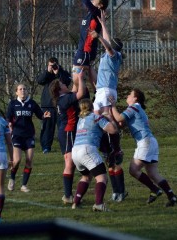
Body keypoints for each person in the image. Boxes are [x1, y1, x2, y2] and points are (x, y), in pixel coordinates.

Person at [110, 88, 177, 207]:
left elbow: (119, 118)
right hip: (151, 141)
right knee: (153, 174)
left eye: (130, 94)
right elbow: (121, 124)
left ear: (135, 98)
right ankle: (171, 196)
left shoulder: (133, 107)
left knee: (133, 170)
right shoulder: (137, 109)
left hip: (145, 142)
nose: (127, 96)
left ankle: (155, 190)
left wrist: (112, 106)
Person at [89, 14, 126, 202]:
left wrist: (99, 38)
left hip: (106, 91)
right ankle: (109, 147)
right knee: (99, 117)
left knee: (102, 117)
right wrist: (103, 23)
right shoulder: (108, 54)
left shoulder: (114, 56)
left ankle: (115, 147)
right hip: (102, 91)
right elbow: (108, 40)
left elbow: (108, 45)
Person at [71, 98, 118, 212]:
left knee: (86, 176)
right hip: (87, 149)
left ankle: (75, 203)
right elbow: (113, 130)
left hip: (75, 151)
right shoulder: (96, 117)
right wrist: (110, 119)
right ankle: (98, 204)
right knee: (102, 177)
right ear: (92, 107)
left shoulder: (81, 120)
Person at [5, 83, 51, 193]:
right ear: (16, 92)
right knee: (17, 160)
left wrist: (44, 116)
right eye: (20, 89)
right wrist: (9, 124)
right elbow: (8, 118)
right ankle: (12, 178)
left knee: (29, 160)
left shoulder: (32, 103)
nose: (23, 91)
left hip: (29, 135)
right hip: (17, 135)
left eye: (24, 89)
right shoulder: (13, 104)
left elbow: (40, 115)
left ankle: (24, 185)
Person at [50, 68, 86, 204]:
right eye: (62, 85)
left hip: (66, 132)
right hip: (68, 131)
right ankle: (67, 195)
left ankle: (68, 195)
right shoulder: (64, 99)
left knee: (70, 162)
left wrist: (76, 77)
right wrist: (81, 78)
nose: (65, 84)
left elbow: (74, 90)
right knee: (69, 162)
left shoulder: (63, 97)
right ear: (59, 90)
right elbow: (80, 93)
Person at [71, 0, 108, 92]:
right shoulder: (90, 14)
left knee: (76, 80)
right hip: (83, 50)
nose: (92, 0)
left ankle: (96, 99)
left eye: (95, 0)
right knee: (77, 83)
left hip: (86, 51)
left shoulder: (97, 13)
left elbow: (86, 2)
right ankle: (99, 98)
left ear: (100, 5)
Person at [36, 57, 72, 153]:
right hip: (48, 104)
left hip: (61, 104)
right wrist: (48, 71)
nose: (53, 67)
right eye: (51, 65)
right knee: (47, 127)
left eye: (54, 65)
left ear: (58, 64)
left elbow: (67, 81)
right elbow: (39, 81)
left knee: (62, 126)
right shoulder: (47, 75)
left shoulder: (63, 73)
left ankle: (64, 147)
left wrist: (58, 72)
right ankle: (46, 147)